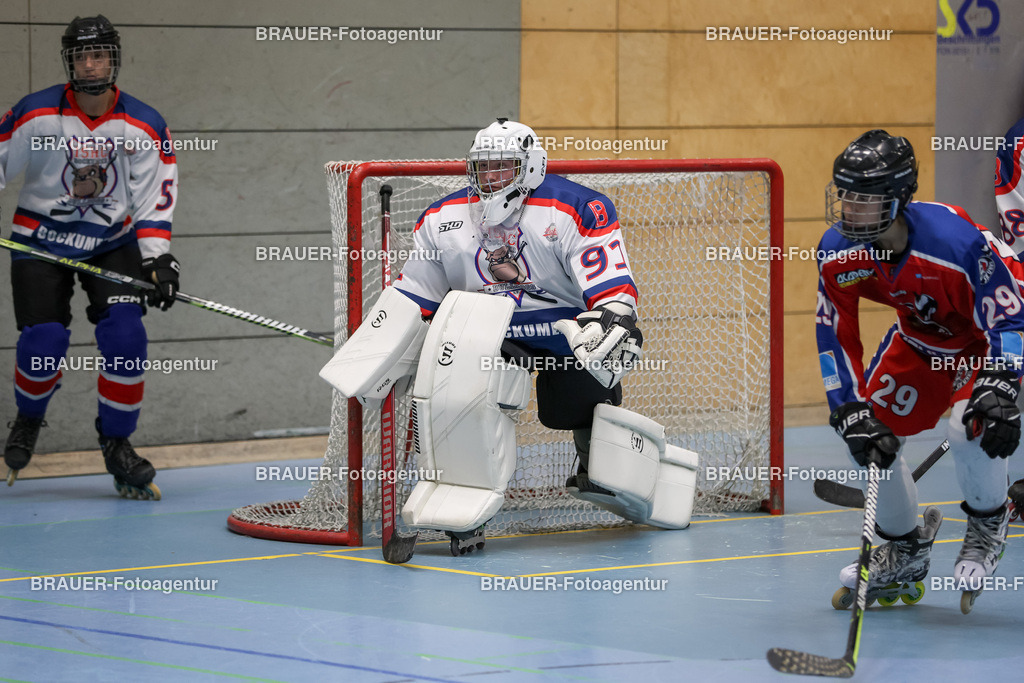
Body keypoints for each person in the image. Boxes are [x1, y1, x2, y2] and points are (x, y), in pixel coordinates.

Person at [321, 119, 697, 557]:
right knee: (457, 397)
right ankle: (462, 507)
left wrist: (612, 320)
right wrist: (386, 347)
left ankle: (625, 475)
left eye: (503, 166)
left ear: (531, 166)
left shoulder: (576, 207)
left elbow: (611, 288)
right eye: (483, 167)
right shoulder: (441, 219)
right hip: (487, 335)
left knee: (579, 414)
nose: (491, 176)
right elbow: (416, 297)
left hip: (565, 334)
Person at [816, 129, 1021, 613]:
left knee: (969, 428)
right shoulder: (837, 252)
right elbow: (835, 334)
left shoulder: (955, 243)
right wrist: (847, 408)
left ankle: (988, 522)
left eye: (863, 198)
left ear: (897, 199)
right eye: (845, 195)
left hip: (982, 339)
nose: (848, 208)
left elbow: (1011, 317)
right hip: (919, 340)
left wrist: (1002, 381)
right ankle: (904, 550)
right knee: (870, 439)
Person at [0, 15, 179, 499]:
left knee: (126, 336)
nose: (90, 64)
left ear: (114, 59)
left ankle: (116, 442)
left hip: (109, 242)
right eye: (81, 55)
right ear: (70, 62)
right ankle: (28, 419)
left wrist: (157, 259)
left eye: (99, 54)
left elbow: (153, 197)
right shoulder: (36, 114)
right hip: (40, 240)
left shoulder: (143, 123)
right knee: (44, 340)